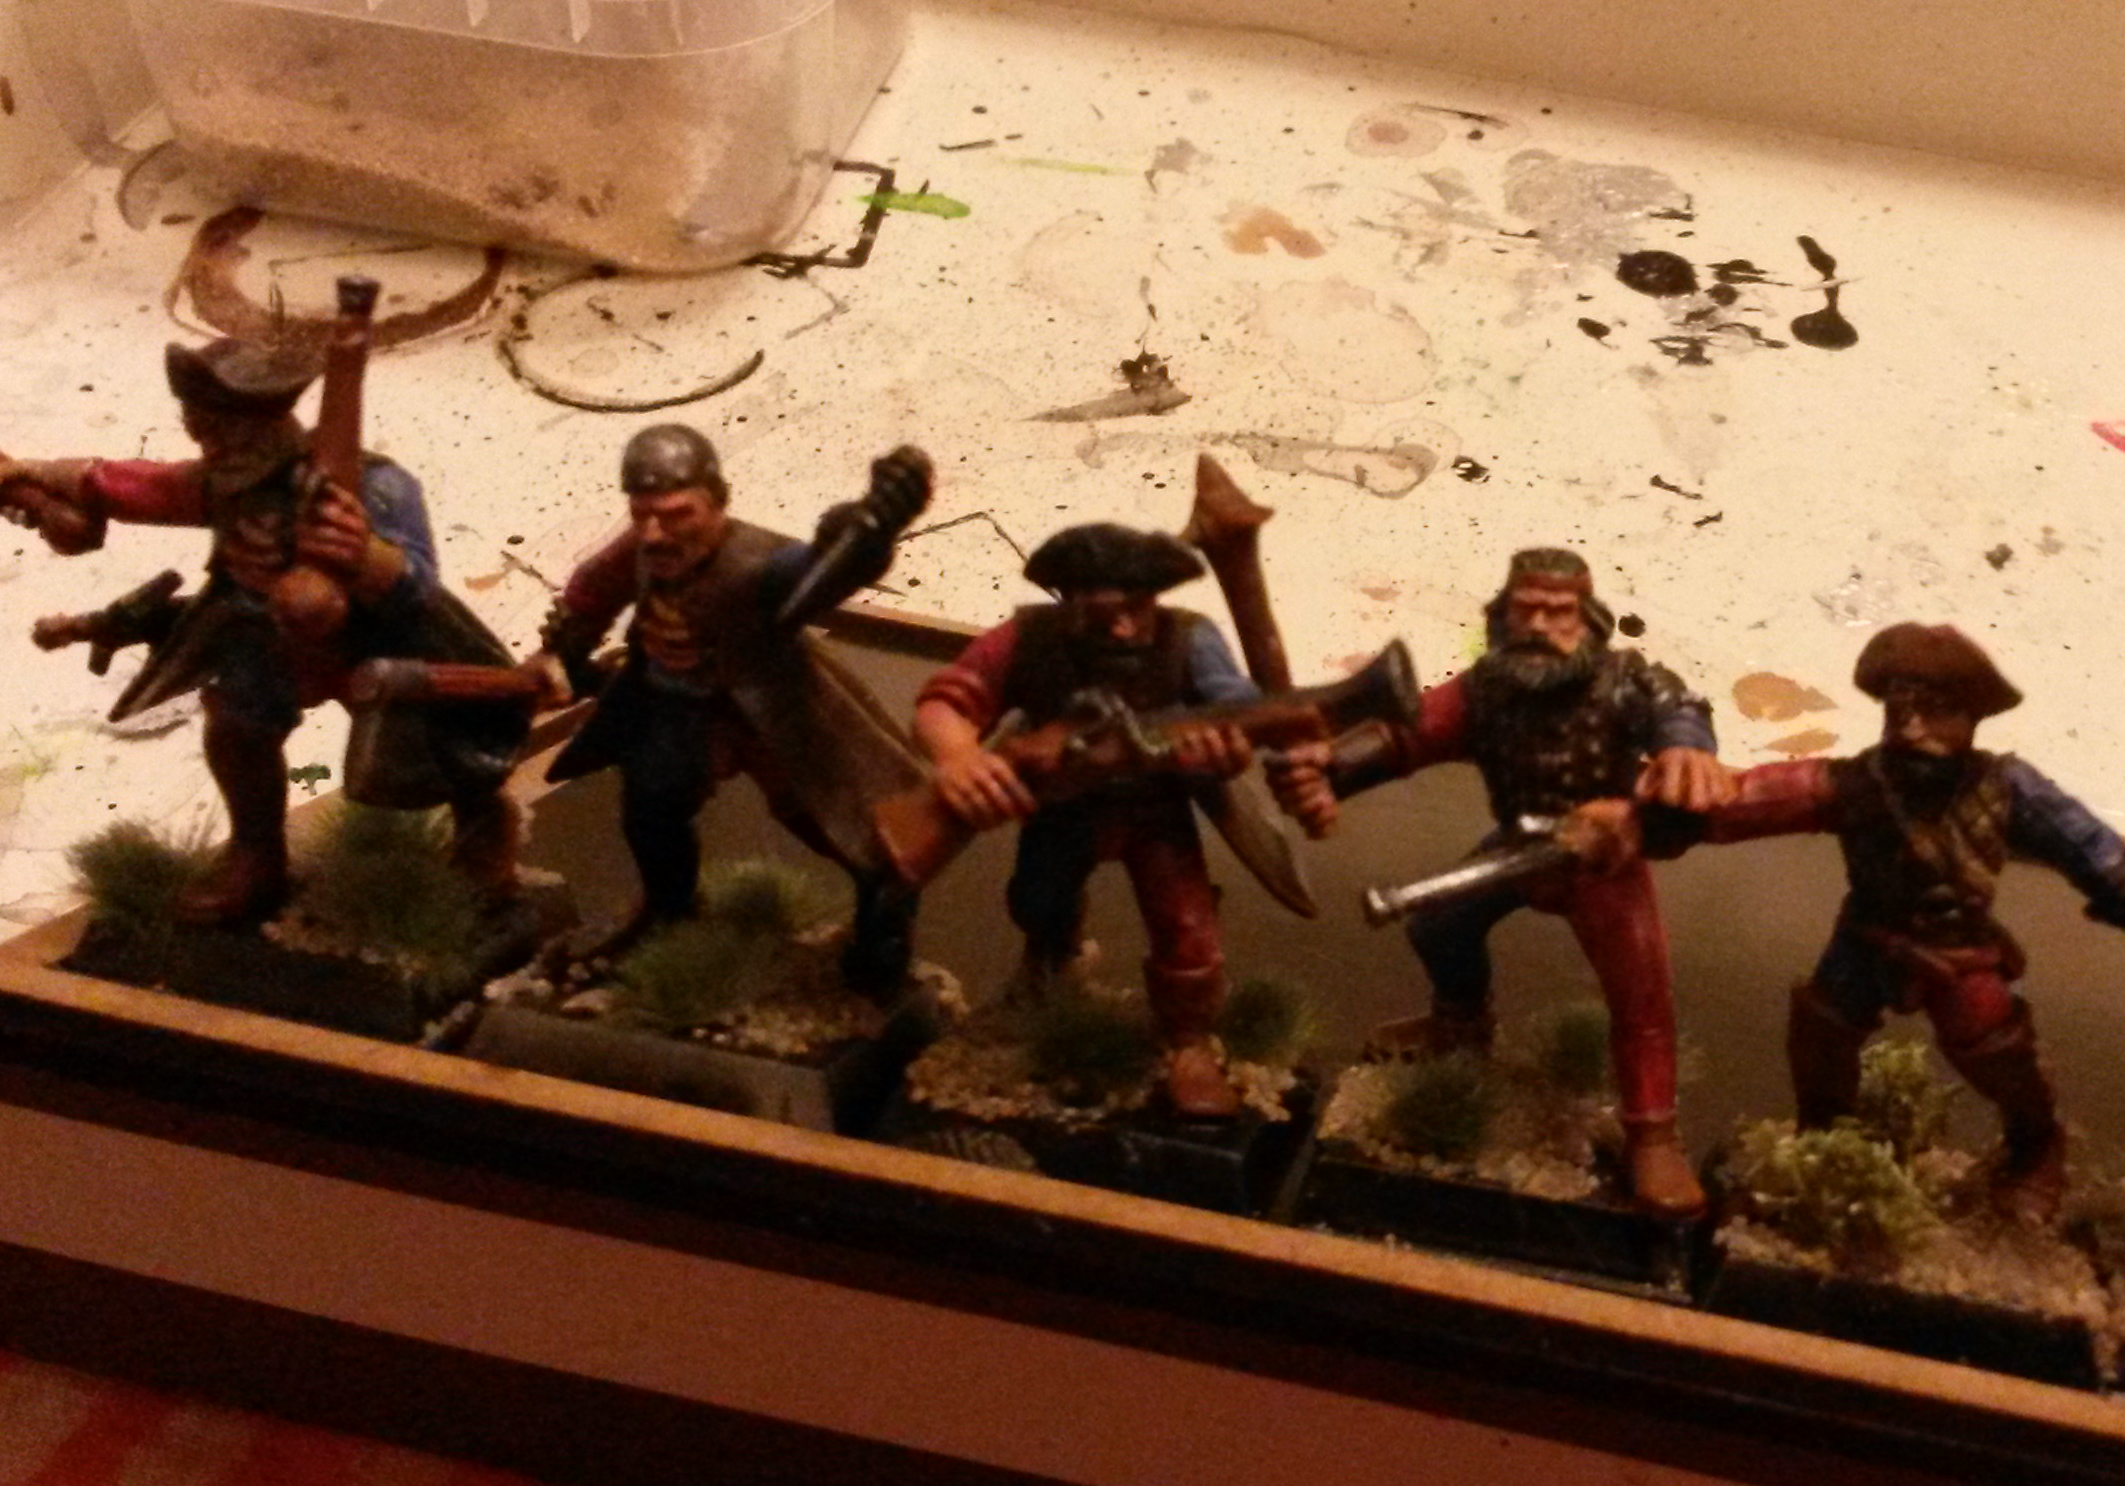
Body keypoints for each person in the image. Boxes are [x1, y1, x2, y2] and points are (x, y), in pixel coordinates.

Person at [0, 336, 525, 924]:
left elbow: (417, 584)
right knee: (237, 733)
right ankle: (256, 856)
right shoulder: (225, 480)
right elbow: (142, 487)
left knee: (441, 743)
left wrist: (367, 557)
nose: (207, 444)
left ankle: (482, 826)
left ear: (263, 422)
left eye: (221, 429)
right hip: (267, 639)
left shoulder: (378, 486)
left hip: (375, 638)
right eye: (199, 428)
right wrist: (38, 473)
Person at [1272, 548, 1733, 1217]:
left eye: (1559, 613)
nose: (1540, 627)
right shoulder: (1486, 690)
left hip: (1603, 863)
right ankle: (1460, 1026)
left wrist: (1686, 747)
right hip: (1519, 849)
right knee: (1439, 926)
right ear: (1501, 617)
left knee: (1640, 997)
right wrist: (1328, 770)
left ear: (1590, 621)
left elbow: (1679, 706)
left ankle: (1652, 1137)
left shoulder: (1627, 683)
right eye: (1527, 612)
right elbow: (1409, 736)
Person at [1705, 623, 2125, 1218]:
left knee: (1997, 1051)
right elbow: (1754, 798)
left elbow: (2095, 855)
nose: (1912, 727)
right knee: (1823, 1031)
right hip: (1866, 940)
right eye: (1900, 711)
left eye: (1936, 712)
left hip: (1958, 950)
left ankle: (2035, 1148)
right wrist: (1664, 810)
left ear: (1971, 715)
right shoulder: (1857, 782)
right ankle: (1825, 1149)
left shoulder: (2009, 788)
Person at [529, 426, 933, 994]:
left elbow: (823, 567)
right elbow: (593, 591)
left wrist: (868, 531)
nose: (655, 532)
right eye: (642, 514)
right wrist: (560, 652)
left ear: (716, 503)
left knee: (845, 828)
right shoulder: (643, 547)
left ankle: (881, 939)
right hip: (673, 704)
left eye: (677, 515)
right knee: (651, 811)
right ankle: (669, 912)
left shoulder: (757, 561)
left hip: (770, 709)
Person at [914, 523, 1262, 1117]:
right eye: (1104, 615)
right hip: (1062, 805)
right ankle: (1051, 967)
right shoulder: (1028, 637)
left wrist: (1229, 743)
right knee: (1037, 901)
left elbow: (1240, 708)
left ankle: (1188, 1042)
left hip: (1156, 808)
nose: (1123, 629)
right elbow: (947, 700)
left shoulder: (1190, 638)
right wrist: (958, 757)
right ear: (1068, 601)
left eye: (1136, 609)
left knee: (1185, 927)